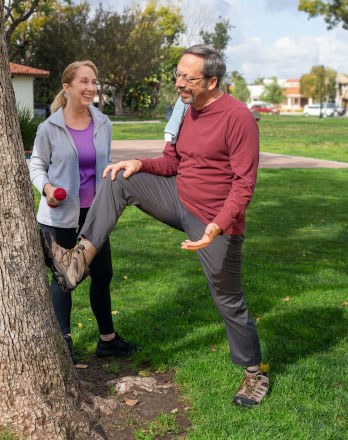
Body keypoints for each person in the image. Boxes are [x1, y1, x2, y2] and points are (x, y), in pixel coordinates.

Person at [46, 45, 269, 407]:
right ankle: (78, 261)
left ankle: (254, 374)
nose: (180, 83)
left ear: (212, 81)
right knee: (119, 179)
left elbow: (244, 185)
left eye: (189, 78)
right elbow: (172, 162)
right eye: (178, 75)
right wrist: (138, 164)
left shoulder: (237, 117)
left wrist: (217, 226)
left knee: (227, 297)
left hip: (213, 219)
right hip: (177, 198)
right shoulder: (186, 110)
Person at [29, 60, 135, 362]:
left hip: (95, 213)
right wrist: (48, 190)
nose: (90, 88)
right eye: (84, 82)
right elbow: (37, 165)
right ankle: (63, 344)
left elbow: (104, 161)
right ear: (68, 87)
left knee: (102, 273)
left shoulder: (103, 123)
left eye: (94, 82)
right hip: (59, 214)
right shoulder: (49, 128)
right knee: (64, 278)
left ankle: (107, 340)